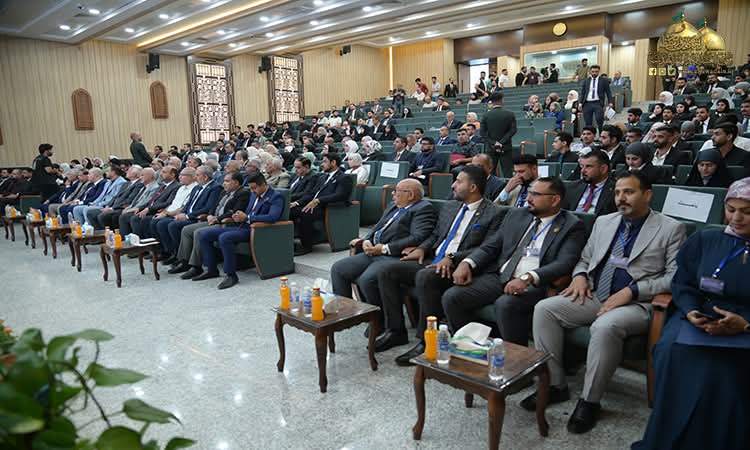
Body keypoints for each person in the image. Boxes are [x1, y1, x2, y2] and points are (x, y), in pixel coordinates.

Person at [524, 171, 687, 434]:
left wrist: (632, 291)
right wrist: (579, 276)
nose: (621, 198)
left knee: (605, 326)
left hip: (638, 304)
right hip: (596, 294)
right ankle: (555, 385)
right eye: (618, 192)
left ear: (647, 195)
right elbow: (585, 259)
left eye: (629, 192)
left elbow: (674, 278)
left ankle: (590, 401)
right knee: (545, 309)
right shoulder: (604, 222)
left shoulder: (671, 228)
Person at [632, 178, 750, 450]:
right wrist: (691, 310)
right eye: (731, 209)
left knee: (721, 371)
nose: (736, 218)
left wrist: (745, 325)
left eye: (747, 211)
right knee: (671, 351)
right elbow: (683, 283)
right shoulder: (705, 239)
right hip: (699, 316)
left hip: (744, 324)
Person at [380, 166, 505, 361]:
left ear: (472, 187)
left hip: (460, 267)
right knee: (387, 271)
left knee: (425, 276)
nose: (453, 185)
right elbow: (436, 235)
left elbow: (487, 248)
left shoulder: (495, 213)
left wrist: (453, 257)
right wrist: (421, 248)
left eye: (459, 181)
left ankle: (427, 341)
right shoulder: (451, 206)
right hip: (434, 259)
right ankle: (395, 330)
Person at [444, 176, 586, 344]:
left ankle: (516, 356)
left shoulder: (571, 225)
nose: (528, 198)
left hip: (536, 283)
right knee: (452, 297)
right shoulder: (517, 214)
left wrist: (528, 277)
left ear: (554, 199)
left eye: (535, 194)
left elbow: (565, 262)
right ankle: (469, 345)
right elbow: (492, 245)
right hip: (502, 275)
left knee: (506, 304)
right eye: (529, 193)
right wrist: (467, 262)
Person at [330, 178, 436, 347]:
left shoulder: (423, 209)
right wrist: (367, 240)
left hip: (395, 256)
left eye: (397, 191)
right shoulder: (394, 205)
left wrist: (385, 248)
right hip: (373, 251)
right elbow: (378, 227)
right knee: (339, 268)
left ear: (410, 195)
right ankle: (346, 314)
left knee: (368, 279)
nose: (393, 194)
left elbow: (418, 237)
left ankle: (379, 320)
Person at [193, 173, 283, 289]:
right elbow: (247, 211)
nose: (252, 191)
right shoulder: (253, 194)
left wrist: (248, 218)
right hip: (242, 226)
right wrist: (238, 215)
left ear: (263, 184)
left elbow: (272, 217)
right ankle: (211, 269)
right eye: (250, 188)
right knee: (204, 234)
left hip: (257, 229)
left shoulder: (275, 197)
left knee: (225, 238)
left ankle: (231, 275)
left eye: (254, 188)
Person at [169, 172, 251, 278]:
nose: (224, 183)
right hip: (213, 220)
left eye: (227, 181)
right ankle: (184, 261)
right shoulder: (224, 191)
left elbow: (234, 211)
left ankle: (196, 266)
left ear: (236, 183)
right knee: (186, 230)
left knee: (198, 232)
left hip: (226, 223)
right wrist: (210, 215)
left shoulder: (243, 193)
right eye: (224, 181)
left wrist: (217, 219)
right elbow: (214, 206)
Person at [156, 166, 222, 265]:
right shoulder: (197, 187)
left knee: (173, 225)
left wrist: (187, 216)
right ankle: (173, 253)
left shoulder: (215, 188)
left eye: (197, 175)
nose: (195, 177)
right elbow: (188, 204)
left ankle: (181, 257)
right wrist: (182, 213)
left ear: (205, 177)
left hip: (197, 217)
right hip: (188, 215)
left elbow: (208, 208)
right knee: (162, 223)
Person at [290, 153, 353, 256]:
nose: (322, 164)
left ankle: (306, 246)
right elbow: (311, 194)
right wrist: (297, 203)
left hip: (327, 207)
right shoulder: (322, 177)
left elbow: (340, 195)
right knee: (290, 210)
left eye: (325, 161)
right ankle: (290, 241)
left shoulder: (344, 177)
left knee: (305, 213)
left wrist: (318, 200)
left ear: (333, 163)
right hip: (313, 204)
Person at [132, 166, 192, 238]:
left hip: (161, 210)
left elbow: (169, 202)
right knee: (133, 217)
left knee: (150, 221)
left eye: (164, 172)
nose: (160, 174)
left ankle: (155, 243)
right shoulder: (163, 186)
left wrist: (163, 212)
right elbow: (151, 200)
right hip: (159, 210)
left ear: (172, 175)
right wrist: (140, 208)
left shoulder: (176, 186)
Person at [565, 149, 617, 217]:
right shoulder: (572, 187)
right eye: (582, 166)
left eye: (588, 166)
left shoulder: (616, 190)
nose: (583, 171)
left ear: (603, 169)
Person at [481, 92, 517, 178]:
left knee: (491, 172)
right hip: (506, 147)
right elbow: (513, 130)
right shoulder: (510, 114)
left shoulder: (486, 115)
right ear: (502, 100)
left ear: (492, 102)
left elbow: (482, 133)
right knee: (507, 172)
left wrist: (494, 143)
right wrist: (501, 142)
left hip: (491, 147)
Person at [580, 65, 613, 132]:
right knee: (588, 122)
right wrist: (580, 103)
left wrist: (610, 102)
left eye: (596, 71)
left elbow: (608, 92)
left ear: (599, 72)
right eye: (593, 71)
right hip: (587, 103)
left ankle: (601, 134)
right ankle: (590, 135)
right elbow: (583, 92)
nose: (594, 73)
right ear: (590, 72)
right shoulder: (586, 81)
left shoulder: (604, 80)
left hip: (598, 103)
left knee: (599, 119)